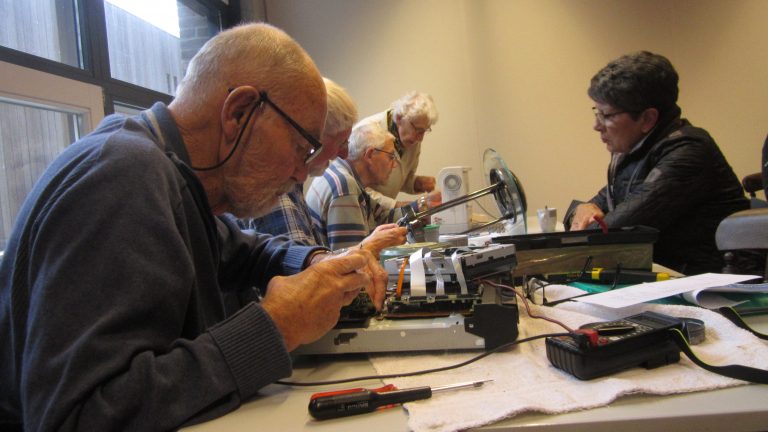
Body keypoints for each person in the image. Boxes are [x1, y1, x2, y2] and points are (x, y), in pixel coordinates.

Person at [0, 23, 387, 431]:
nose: (300, 173)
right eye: (300, 147)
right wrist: (276, 326)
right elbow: (81, 416)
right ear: (239, 113)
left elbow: (244, 250)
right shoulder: (123, 176)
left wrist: (315, 260)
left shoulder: (171, 177)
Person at [564, 51, 749, 275]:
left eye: (607, 115)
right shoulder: (635, 153)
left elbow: (615, 235)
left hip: (715, 286)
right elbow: (593, 214)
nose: (597, 125)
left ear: (648, 118)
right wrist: (581, 209)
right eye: (597, 112)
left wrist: (585, 220)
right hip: (669, 278)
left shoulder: (688, 153)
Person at [243, 77, 406, 256]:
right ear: (316, 135)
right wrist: (367, 248)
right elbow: (302, 271)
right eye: (341, 142)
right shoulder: (278, 183)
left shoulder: (301, 180)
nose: (345, 153)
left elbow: (310, 257)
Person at [306, 121, 406, 251]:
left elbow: (380, 217)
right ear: (370, 155)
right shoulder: (345, 188)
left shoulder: (340, 171)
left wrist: (421, 207)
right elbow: (353, 259)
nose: (394, 165)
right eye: (391, 156)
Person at [361, 91, 441, 209]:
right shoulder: (366, 132)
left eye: (424, 131)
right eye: (418, 130)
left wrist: (416, 183)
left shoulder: (412, 138)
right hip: (363, 212)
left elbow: (397, 178)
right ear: (399, 118)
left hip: (382, 215)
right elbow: (357, 188)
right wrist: (397, 205)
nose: (420, 138)